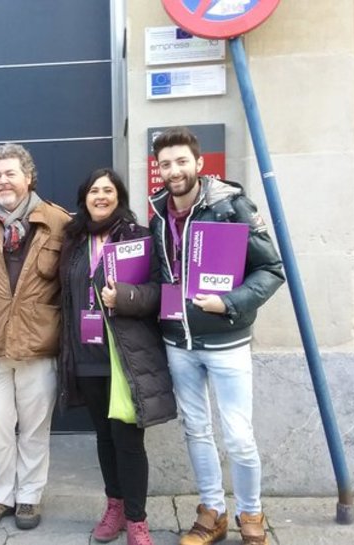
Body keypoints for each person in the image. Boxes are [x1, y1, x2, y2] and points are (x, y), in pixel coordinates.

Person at [149, 127, 285, 545]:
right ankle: (213, 512)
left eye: (181, 162)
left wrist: (228, 303)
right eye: (166, 164)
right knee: (197, 430)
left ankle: (251, 513)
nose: (174, 171)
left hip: (226, 341)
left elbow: (271, 270)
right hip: (179, 342)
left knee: (239, 434)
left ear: (199, 164)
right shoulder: (156, 212)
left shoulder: (231, 206)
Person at [58, 168, 176, 545]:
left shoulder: (138, 237)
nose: (101, 196)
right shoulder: (73, 242)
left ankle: (137, 521)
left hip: (124, 357)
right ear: (84, 198)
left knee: (128, 440)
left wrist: (123, 297)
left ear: (119, 196)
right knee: (105, 437)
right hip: (87, 356)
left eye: (108, 190)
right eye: (94, 190)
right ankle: (115, 507)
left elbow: (161, 292)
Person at [0, 143, 71, 530]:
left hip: (38, 344)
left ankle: (29, 497)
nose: (2, 181)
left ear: (29, 177)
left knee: (35, 428)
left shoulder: (59, 221)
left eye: (10, 173)